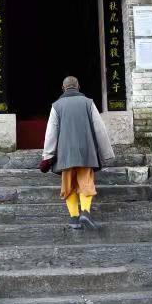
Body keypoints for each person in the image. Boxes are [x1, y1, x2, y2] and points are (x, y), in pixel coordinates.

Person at [38, 76, 115, 230]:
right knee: (86, 183)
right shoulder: (88, 103)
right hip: (87, 152)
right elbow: (100, 129)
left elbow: (51, 133)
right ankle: (85, 212)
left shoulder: (56, 106)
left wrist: (47, 156)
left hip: (65, 155)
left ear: (63, 88)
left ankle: (74, 218)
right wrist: (107, 153)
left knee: (68, 186)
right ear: (78, 86)